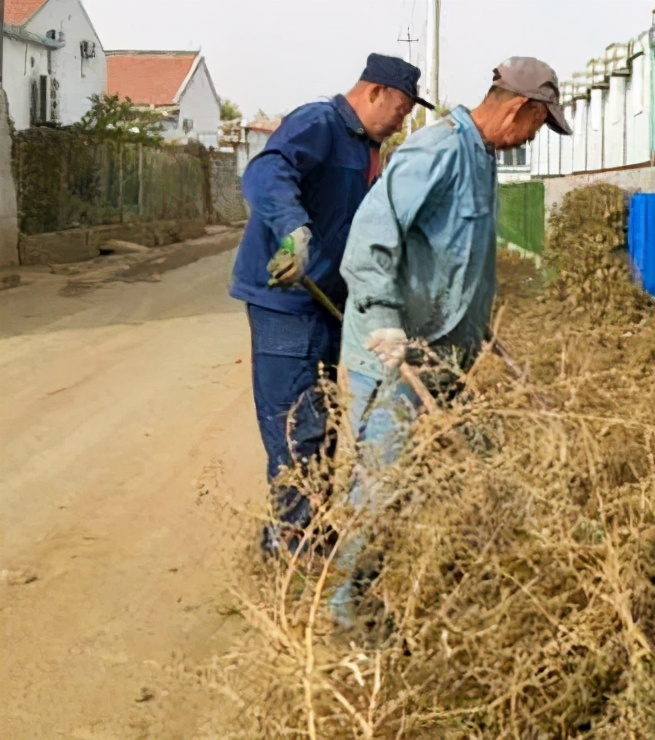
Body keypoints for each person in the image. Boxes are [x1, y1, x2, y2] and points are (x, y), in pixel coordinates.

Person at [329, 57, 572, 627]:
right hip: (393, 355)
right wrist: (385, 318)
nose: (533, 137)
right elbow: (371, 236)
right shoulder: (437, 150)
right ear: (520, 108)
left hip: (443, 355)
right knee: (383, 486)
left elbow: (456, 259)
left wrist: (479, 329)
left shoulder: (481, 159)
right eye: (539, 125)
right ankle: (345, 609)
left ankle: (395, 591)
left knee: (426, 483)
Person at [229, 54, 433, 555]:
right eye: (402, 109)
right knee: (297, 425)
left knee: (320, 427)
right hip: (287, 301)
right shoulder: (319, 123)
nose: (402, 121)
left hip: (325, 306)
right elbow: (266, 172)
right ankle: (295, 545)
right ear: (374, 93)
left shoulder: (368, 148)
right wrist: (293, 231)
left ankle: (302, 532)